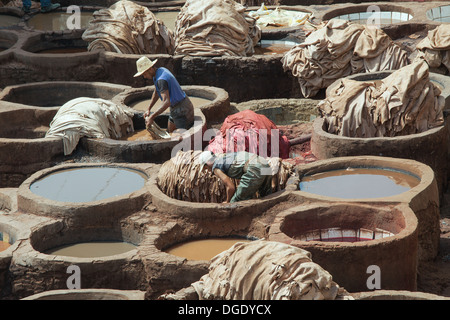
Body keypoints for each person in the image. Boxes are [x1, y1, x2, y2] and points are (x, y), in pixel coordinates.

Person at [133, 56, 194, 133]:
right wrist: (148, 109)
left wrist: (151, 117)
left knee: (180, 138)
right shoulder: (159, 71)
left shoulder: (161, 80)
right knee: (169, 132)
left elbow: (166, 102)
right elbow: (156, 92)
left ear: (150, 69)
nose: (144, 77)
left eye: (144, 74)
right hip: (175, 108)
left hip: (181, 110)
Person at [199, 151, 274, 203]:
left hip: (254, 168)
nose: (207, 170)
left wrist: (228, 201)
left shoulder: (216, 167)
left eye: (205, 167)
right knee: (266, 195)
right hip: (263, 162)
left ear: (206, 164)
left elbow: (230, 187)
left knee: (236, 202)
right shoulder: (226, 157)